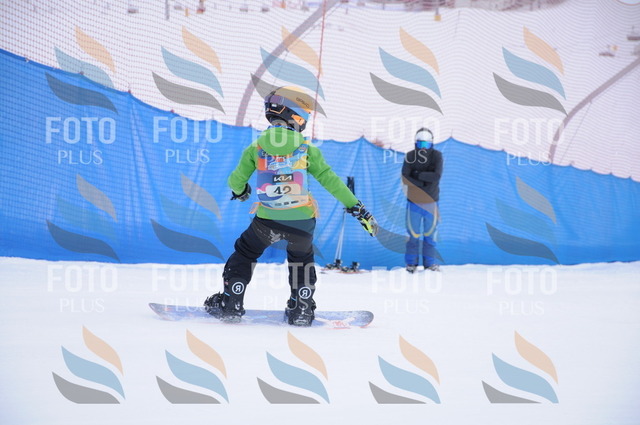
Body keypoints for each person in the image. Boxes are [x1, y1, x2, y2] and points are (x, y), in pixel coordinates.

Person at [204, 86, 379, 326]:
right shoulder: (307, 149)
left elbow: (235, 181)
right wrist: (357, 208)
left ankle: (231, 302)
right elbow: (332, 182)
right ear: (297, 116)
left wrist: (242, 192)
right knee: (301, 259)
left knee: (245, 253)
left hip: (266, 221)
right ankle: (301, 308)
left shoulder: (256, 147)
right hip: (302, 222)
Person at [401, 128, 443, 273]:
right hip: (414, 202)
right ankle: (411, 264)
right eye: (420, 144)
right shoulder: (409, 156)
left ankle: (429, 264)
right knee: (413, 235)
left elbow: (436, 176)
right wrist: (424, 181)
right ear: (415, 143)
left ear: (431, 144)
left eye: (426, 144)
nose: (423, 148)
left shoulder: (437, 156)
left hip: (431, 202)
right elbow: (405, 178)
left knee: (430, 235)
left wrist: (417, 174)